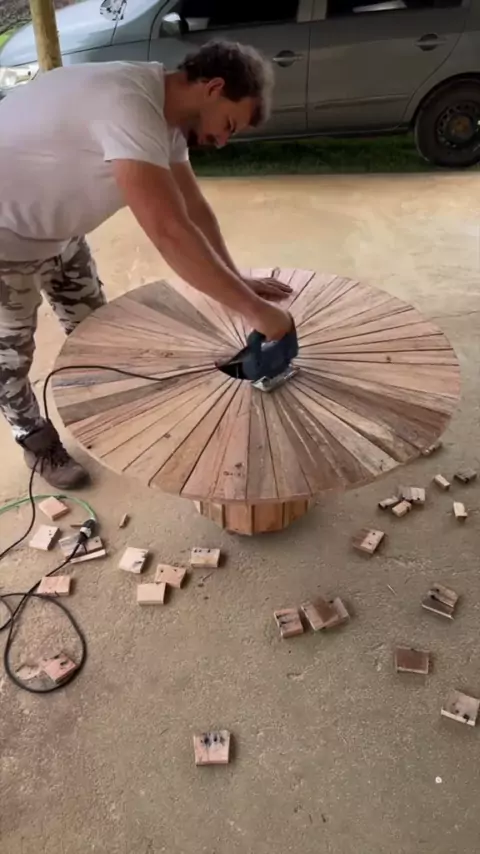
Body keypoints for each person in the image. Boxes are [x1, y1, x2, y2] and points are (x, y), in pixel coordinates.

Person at [0, 40, 293, 490]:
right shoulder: (128, 103)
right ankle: (35, 440)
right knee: (10, 357)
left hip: (59, 231)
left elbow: (194, 210)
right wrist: (258, 313)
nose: (222, 140)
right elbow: (169, 230)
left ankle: (102, 407)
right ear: (214, 87)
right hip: (4, 240)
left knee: (95, 330)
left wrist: (237, 280)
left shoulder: (167, 118)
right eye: (228, 125)